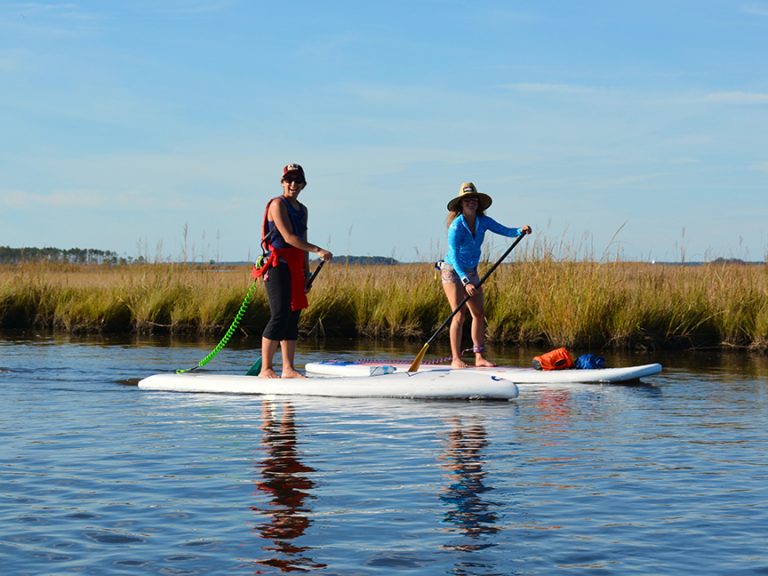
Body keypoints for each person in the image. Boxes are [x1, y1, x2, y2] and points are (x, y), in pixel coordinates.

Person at [441, 182, 531, 368]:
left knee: (479, 313)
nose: (471, 202)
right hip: (452, 270)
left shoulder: (483, 221)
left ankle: (479, 357)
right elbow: (455, 257)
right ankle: (456, 359)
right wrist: (465, 281)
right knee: (459, 314)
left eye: (474, 199)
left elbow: (505, 230)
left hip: (471, 270)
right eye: (467, 200)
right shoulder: (456, 227)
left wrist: (519, 231)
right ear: (461, 204)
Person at [254, 164, 332, 378]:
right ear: (282, 182)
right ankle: (266, 369)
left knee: (293, 315)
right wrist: (318, 250)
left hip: (296, 265)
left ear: (304, 185)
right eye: (289, 180)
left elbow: (302, 242)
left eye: (298, 181)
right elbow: (289, 238)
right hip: (277, 265)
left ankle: (288, 369)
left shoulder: (303, 209)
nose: (293, 184)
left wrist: (306, 274)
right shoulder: (277, 205)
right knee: (279, 314)